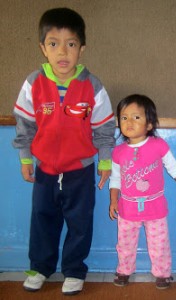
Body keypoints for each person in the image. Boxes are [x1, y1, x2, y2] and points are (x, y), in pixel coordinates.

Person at [12, 8, 115, 295]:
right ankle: (40, 267)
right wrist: (25, 158)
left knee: (80, 223)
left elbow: (105, 129)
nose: (63, 52)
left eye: (71, 44)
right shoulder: (34, 83)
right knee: (42, 219)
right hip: (45, 169)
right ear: (43, 48)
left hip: (80, 170)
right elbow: (25, 124)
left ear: (81, 49)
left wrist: (105, 163)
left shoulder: (92, 86)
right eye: (54, 43)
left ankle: (74, 270)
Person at [109, 94, 176, 289]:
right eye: (124, 117)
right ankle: (124, 270)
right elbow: (115, 179)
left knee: (159, 244)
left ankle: (163, 273)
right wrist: (114, 200)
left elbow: (174, 168)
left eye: (136, 117)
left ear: (149, 124)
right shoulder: (118, 152)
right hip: (128, 208)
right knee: (125, 243)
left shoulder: (158, 145)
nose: (129, 121)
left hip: (155, 207)